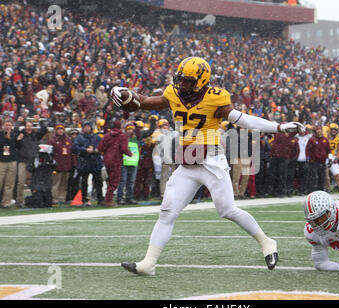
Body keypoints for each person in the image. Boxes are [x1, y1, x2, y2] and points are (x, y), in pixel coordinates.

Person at [110, 57, 304, 276]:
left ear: (202, 81)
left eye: (188, 81)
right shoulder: (173, 93)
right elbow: (145, 102)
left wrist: (278, 127)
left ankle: (267, 242)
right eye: (180, 80)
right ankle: (148, 263)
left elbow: (242, 120)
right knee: (167, 212)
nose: (182, 85)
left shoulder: (216, 97)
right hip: (187, 162)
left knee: (227, 210)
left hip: (211, 160)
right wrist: (125, 95)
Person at [97, 120, 132, 207]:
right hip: (116, 160)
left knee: (110, 180)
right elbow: (124, 149)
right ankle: (108, 200)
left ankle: (108, 198)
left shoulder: (107, 136)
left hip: (107, 161)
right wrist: (130, 153)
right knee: (114, 181)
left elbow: (100, 148)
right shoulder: (122, 136)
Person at [72, 121, 104, 206]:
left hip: (95, 161)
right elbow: (74, 148)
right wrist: (85, 150)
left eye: (88, 126)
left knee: (98, 182)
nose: (87, 128)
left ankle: (100, 198)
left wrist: (97, 150)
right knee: (84, 182)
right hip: (84, 162)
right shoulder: (79, 137)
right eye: (85, 126)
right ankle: (84, 199)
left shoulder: (96, 137)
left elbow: (102, 146)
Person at [48, 123, 74, 205]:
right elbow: (49, 152)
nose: (60, 130)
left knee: (64, 183)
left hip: (66, 165)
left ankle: (62, 198)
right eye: (58, 129)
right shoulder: (52, 140)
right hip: (57, 165)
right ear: (56, 130)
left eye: (61, 129)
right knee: (56, 183)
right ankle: (54, 199)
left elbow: (71, 152)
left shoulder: (68, 139)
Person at [0, 120, 20, 208]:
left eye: (9, 125)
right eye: (6, 125)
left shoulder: (15, 134)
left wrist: (12, 138)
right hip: (1, 161)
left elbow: (16, 145)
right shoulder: (0, 134)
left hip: (12, 161)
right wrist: (6, 137)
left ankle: (6, 202)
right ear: (3, 126)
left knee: (9, 183)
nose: (8, 127)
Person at [326, 123, 339, 195]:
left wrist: (336, 158)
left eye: (335, 130)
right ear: (329, 129)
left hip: (333, 156)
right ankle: (326, 188)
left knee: (337, 173)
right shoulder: (325, 136)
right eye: (332, 129)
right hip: (325, 156)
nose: (334, 131)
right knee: (325, 174)